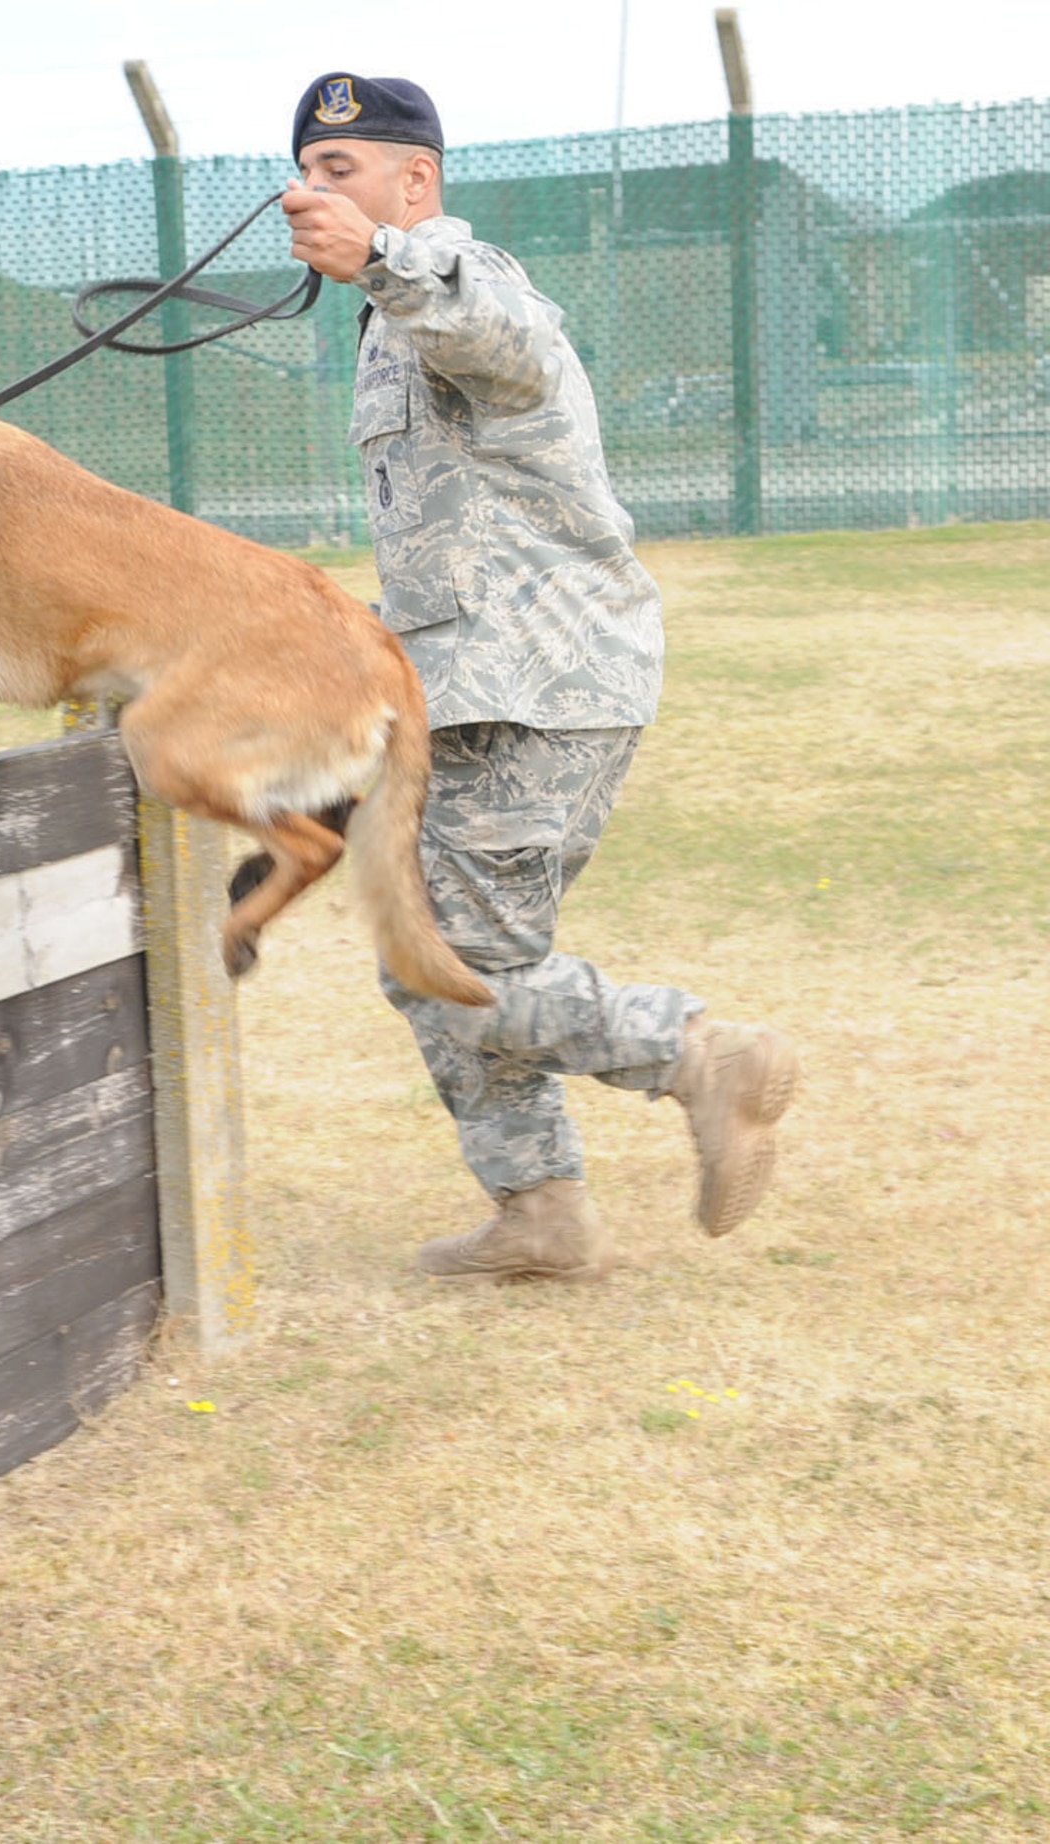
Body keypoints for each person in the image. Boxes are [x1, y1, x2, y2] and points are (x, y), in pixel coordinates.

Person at [278, 72, 798, 1281]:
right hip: (468, 686)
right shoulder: (387, 323)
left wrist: (380, 259)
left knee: (449, 964)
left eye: (340, 168)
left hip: (538, 685)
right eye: (306, 170)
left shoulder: (465, 282)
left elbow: (503, 343)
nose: (312, 189)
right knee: (436, 961)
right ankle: (539, 1213)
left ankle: (698, 1056)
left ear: (416, 181)